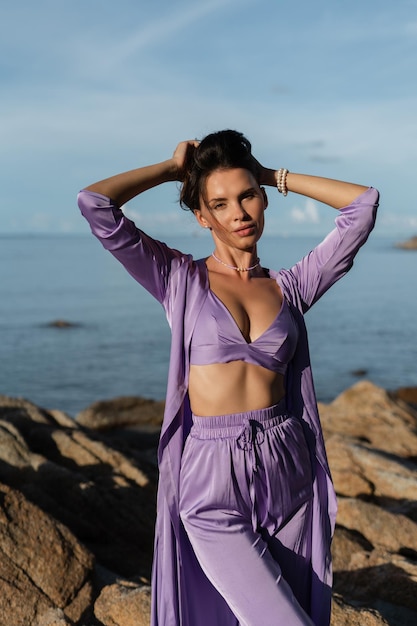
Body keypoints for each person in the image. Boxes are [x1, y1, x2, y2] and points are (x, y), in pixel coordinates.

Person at [78, 130, 379, 626]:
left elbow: (362, 208)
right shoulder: (178, 279)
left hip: (288, 468)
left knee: (287, 610)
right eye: (219, 203)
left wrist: (270, 175)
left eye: (247, 197)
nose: (238, 213)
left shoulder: (291, 287)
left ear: (262, 200)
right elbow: (96, 205)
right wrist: (171, 170)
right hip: (211, 480)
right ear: (202, 217)